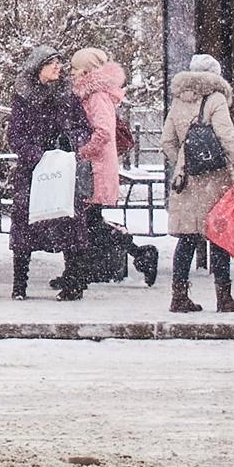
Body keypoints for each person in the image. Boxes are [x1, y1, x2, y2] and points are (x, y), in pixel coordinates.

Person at [159, 53, 234, 313]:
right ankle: (224, 297)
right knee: (218, 236)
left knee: (187, 238)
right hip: (215, 179)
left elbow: (166, 140)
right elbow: (227, 139)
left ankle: (179, 297)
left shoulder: (179, 99)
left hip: (186, 180)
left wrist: (184, 161)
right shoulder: (216, 98)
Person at [7, 46, 96, 301]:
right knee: (26, 228)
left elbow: (83, 127)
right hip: (33, 170)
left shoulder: (68, 96)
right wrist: (35, 154)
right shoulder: (24, 97)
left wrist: (70, 145)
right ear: (38, 67)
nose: (58, 67)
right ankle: (19, 285)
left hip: (64, 168)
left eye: (59, 62)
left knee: (70, 224)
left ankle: (74, 283)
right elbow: (15, 134)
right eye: (52, 63)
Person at [69, 47, 158, 287]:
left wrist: (82, 152)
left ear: (87, 70)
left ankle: (140, 253)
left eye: (75, 69)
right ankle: (136, 255)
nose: (72, 74)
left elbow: (103, 133)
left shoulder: (97, 96)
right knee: (90, 222)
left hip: (95, 169)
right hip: (94, 167)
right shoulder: (92, 94)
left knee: (89, 223)